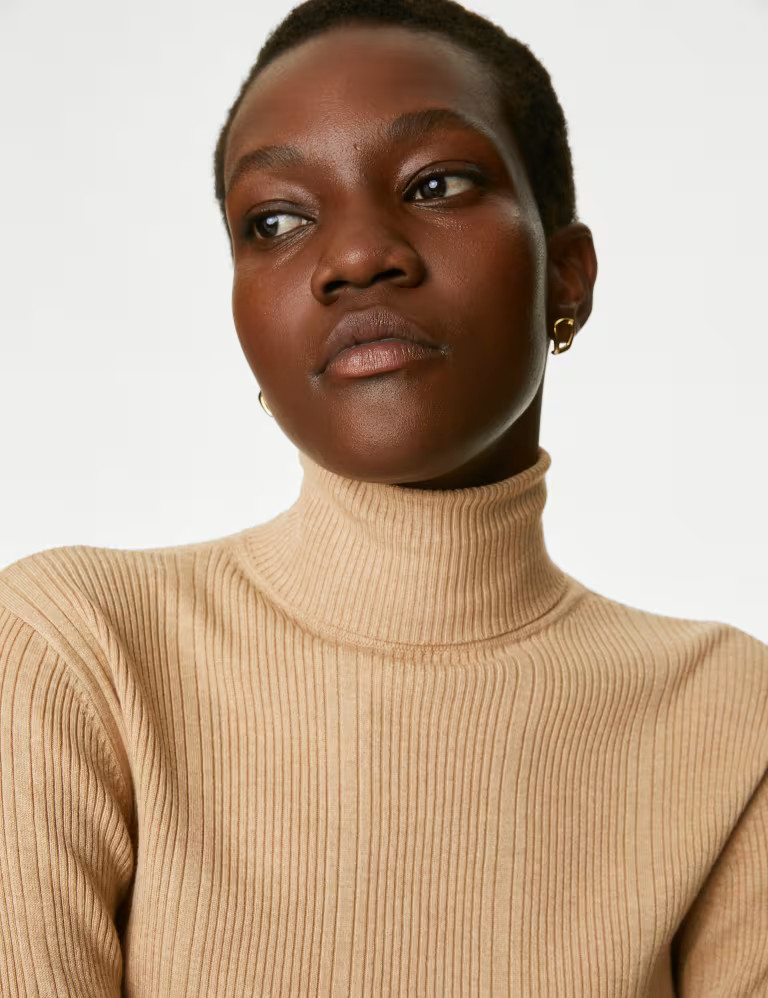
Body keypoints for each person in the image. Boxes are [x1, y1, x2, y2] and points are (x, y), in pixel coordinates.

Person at [0, 0, 766, 994]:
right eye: (276, 221)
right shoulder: (80, 654)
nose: (357, 258)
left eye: (436, 184)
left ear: (568, 276)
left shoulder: (727, 713)